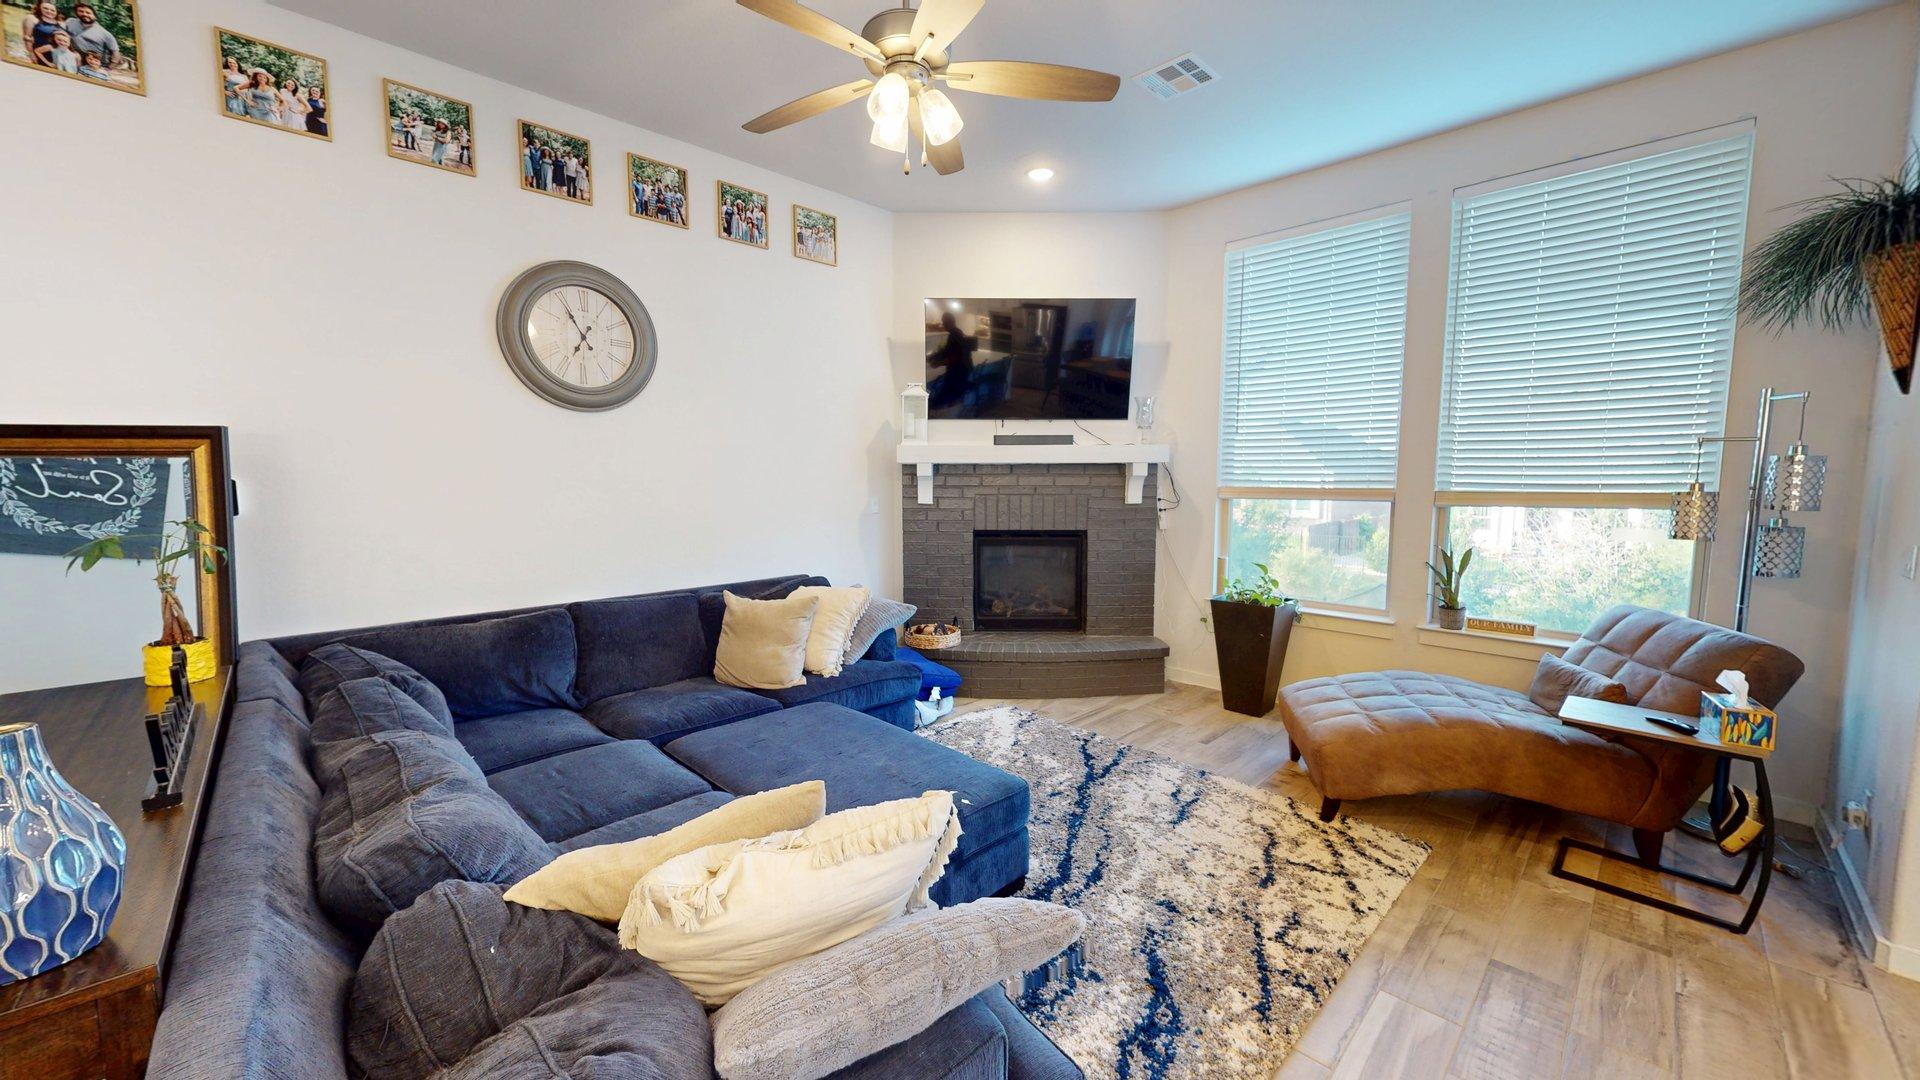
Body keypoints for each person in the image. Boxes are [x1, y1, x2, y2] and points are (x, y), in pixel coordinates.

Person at [927, 311, 977, 411]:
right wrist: (933, 356)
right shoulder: (957, 332)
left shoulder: (955, 335)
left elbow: (956, 356)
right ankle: (943, 405)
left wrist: (938, 363)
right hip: (964, 367)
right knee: (950, 391)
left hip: (959, 369)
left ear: (949, 322)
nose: (943, 324)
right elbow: (947, 351)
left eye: (944, 322)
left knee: (947, 390)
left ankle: (935, 407)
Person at [63, 3, 119, 68]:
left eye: (88, 13)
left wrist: (109, 68)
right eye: (81, 11)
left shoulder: (104, 33)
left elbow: (115, 53)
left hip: (94, 64)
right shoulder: (70, 22)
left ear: (94, 16)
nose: (84, 14)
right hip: (75, 59)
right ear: (76, 13)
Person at [21, 1, 60, 67]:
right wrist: (31, 54)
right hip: (39, 54)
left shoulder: (60, 24)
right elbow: (27, 38)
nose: (49, 11)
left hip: (55, 57)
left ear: (56, 12)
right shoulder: (32, 19)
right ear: (40, 9)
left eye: (52, 10)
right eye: (45, 8)